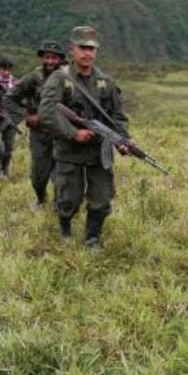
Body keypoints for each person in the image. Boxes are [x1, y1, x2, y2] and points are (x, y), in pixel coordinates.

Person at [39, 26, 130, 248]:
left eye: (92, 49)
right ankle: (65, 230)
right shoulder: (60, 79)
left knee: (101, 199)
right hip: (69, 151)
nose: (87, 53)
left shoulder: (105, 82)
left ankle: (92, 238)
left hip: (100, 151)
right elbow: (47, 112)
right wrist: (73, 132)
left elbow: (117, 116)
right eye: (82, 48)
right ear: (72, 50)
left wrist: (124, 139)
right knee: (69, 199)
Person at [4, 41, 65, 208]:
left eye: (54, 58)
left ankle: (58, 206)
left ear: (61, 59)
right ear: (42, 58)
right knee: (39, 175)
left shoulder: (69, 77)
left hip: (64, 132)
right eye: (47, 57)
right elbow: (9, 98)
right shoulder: (33, 78)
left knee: (62, 173)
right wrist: (26, 116)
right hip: (40, 133)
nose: (51, 61)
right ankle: (41, 199)